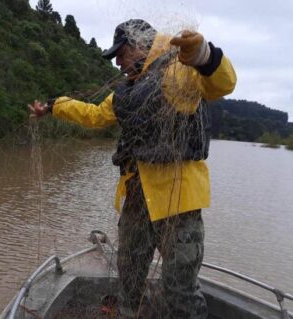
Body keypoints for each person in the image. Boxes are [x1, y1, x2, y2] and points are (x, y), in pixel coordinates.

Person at [28, 19, 236, 319]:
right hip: (137, 201)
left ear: (141, 46)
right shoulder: (126, 94)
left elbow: (222, 84)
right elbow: (94, 115)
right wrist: (53, 106)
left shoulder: (181, 71)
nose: (119, 63)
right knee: (129, 279)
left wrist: (204, 56)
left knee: (180, 289)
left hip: (178, 205)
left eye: (122, 54)